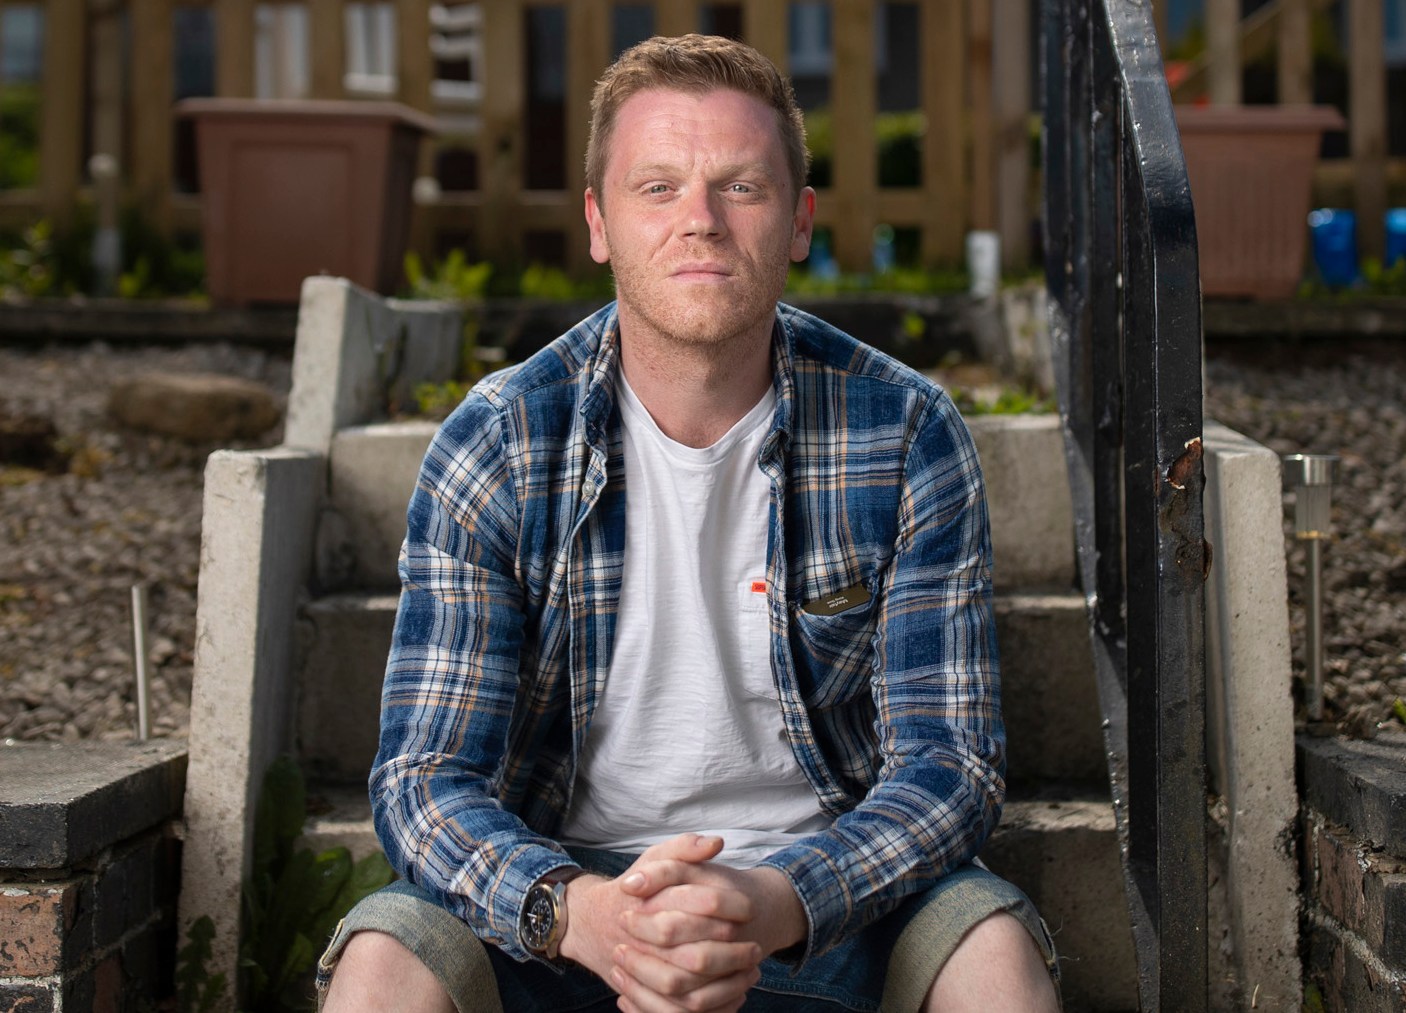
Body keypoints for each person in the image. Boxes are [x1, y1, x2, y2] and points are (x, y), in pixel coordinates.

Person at [318, 33, 1060, 1013]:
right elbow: (424, 777)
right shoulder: (497, 443)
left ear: (797, 221)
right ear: (598, 222)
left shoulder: (905, 430)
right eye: (657, 187)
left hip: (825, 905)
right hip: (561, 913)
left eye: (740, 188)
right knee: (383, 963)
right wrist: (582, 912)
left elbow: (949, 769)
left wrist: (773, 898)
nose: (699, 222)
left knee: (993, 957)